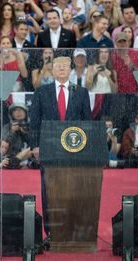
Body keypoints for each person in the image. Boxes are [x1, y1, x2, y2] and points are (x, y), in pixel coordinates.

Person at [29, 55, 92, 239]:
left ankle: (72, 227)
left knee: (74, 189)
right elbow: (34, 122)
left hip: (75, 148)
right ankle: (51, 231)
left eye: (65, 66)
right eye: (58, 66)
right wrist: (34, 146)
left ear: (70, 69)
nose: (62, 69)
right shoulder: (41, 92)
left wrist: (86, 147)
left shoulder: (80, 92)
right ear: (53, 70)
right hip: (49, 148)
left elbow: (87, 121)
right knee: (49, 190)